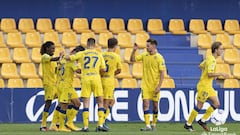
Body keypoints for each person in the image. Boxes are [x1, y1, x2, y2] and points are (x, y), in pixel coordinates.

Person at [184, 42, 229, 132]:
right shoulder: (212, 60)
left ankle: (203, 120)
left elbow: (200, 66)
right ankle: (188, 124)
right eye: (221, 49)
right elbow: (209, 73)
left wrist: (211, 75)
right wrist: (220, 74)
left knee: (217, 103)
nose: (222, 51)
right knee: (199, 106)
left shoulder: (209, 58)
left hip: (208, 86)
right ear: (216, 50)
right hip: (204, 86)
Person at [66, 38, 108, 132]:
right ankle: (100, 125)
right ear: (94, 44)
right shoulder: (99, 54)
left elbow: (69, 58)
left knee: (86, 104)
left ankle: (85, 126)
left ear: (87, 44)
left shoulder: (82, 53)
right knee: (100, 102)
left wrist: (66, 55)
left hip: (85, 79)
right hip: (96, 78)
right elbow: (104, 69)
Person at [130, 39, 166, 131]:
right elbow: (132, 60)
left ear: (153, 46)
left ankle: (153, 124)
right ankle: (147, 125)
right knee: (145, 104)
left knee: (155, 105)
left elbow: (162, 73)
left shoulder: (159, 58)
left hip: (155, 85)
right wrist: (134, 50)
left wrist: (159, 86)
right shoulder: (144, 55)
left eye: (148, 46)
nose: (146, 47)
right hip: (145, 85)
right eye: (146, 46)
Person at [55, 46, 85, 132]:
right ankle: (61, 126)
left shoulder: (64, 58)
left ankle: (69, 123)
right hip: (66, 86)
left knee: (77, 103)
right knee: (64, 105)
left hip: (63, 84)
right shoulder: (72, 60)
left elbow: (58, 66)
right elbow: (78, 71)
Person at [39, 41, 64, 131]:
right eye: (52, 48)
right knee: (48, 103)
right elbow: (54, 59)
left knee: (62, 101)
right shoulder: (45, 57)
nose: (53, 50)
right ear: (47, 49)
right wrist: (61, 57)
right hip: (48, 84)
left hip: (55, 84)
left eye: (54, 48)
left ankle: (56, 122)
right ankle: (43, 125)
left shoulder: (52, 59)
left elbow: (56, 70)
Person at [101, 38, 122, 129]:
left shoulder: (102, 55)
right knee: (106, 102)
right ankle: (102, 123)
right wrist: (112, 74)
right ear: (116, 46)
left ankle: (102, 121)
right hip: (109, 80)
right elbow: (119, 70)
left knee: (110, 101)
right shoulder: (116, 56)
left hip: (101, 79)